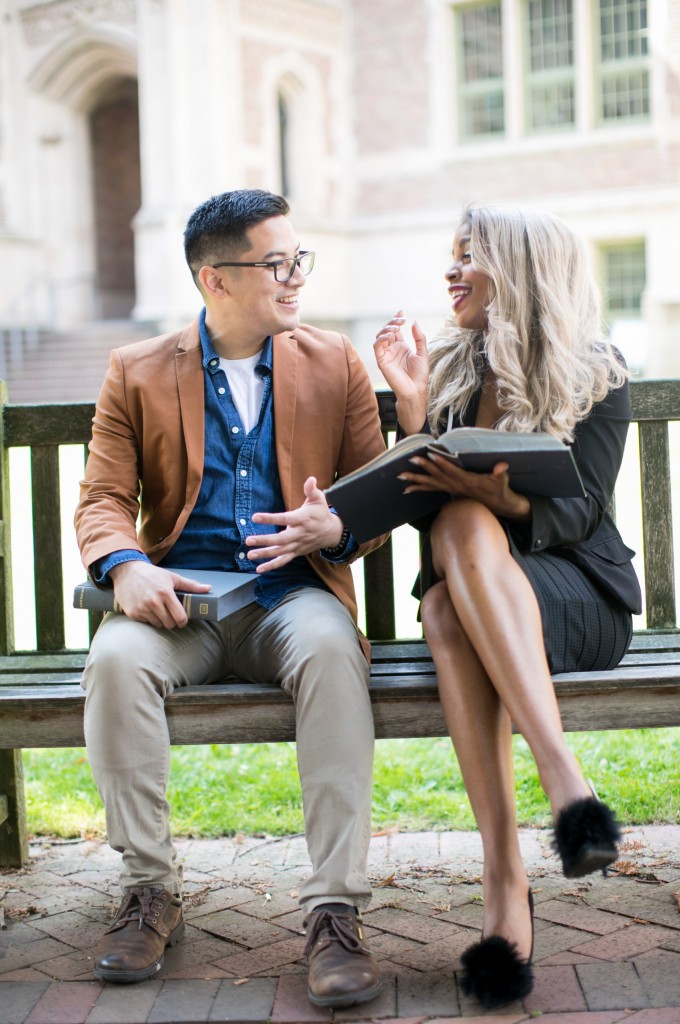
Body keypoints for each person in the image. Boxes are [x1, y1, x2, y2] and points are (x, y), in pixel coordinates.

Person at [75, 189, 387, 1009]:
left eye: (297, 259)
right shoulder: (136, 370)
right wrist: (126, 567)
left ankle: (333, 910)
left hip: (295, 599)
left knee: (329, 651)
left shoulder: (335, 362)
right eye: (274, 264)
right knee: (112, 659)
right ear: (215, 280)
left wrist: (335, 528)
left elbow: (372, 497)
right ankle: (149, 891)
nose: (294, 278)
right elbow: (102, 496)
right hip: (185, 606)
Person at [373, 203, 641, 1010]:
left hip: (574, 599)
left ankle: (518, 853)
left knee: (463, 548)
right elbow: (419, 517)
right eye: (449, 256)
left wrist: (504, 502)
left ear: (518, 268)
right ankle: (535, 831)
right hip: (473, 603)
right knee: (449, 603)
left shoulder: (594, 371)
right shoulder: (449, 374)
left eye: (469, 256)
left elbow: (583, 511)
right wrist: (413, 416)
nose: (450, 271)